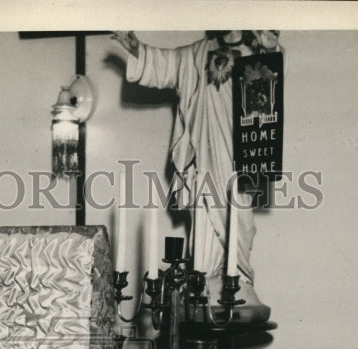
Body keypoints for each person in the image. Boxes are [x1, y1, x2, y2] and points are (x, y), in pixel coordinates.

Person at [112, 30, 281, 322]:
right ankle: (205, 278)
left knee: (239, 218)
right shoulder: (196, 54)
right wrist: (138, 48)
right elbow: (166, 64)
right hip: (202, 155)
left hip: (240, 159)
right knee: (204, 216)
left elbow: (276, 77)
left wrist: (271, 48)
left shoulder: (256, 52)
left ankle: (238, 276)